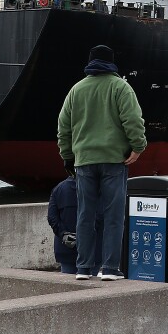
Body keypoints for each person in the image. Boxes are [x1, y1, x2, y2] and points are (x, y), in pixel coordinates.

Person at [56, 44, 146, 282]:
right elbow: (133, 120)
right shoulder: (121, 87)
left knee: (85, 215)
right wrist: (138, 147)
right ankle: (110, 268)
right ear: (111, 63)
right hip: (114, 160)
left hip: (83, 161)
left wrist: (68, 155)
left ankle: (83, 268)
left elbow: (63, 127)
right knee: (113, 215)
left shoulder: (76, 90)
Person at [46, 171, 80, 274]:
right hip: (92, 249)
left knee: (69, 283)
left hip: (65, 247)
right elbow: (101, 216)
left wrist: (64, 234)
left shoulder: (58, 189)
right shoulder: (95, 188)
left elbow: (52, 217)